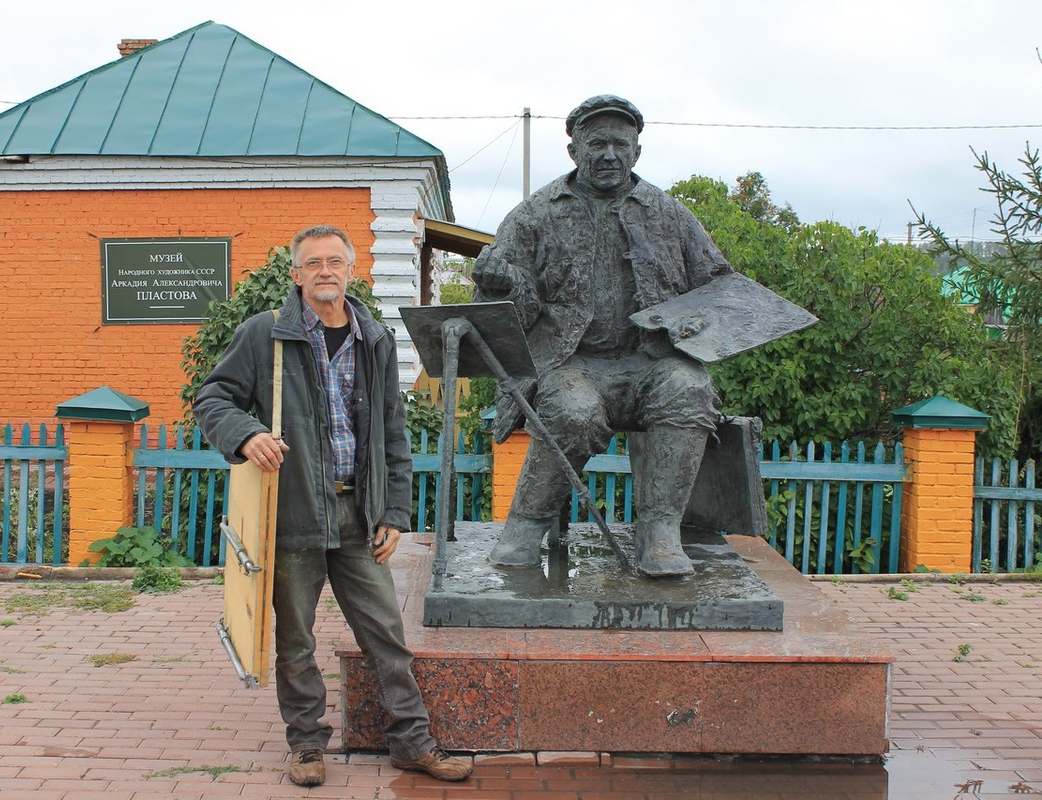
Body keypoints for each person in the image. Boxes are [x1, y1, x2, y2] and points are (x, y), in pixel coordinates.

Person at [194, 225, 472, 787]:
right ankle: (305, 745)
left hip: (359, 514)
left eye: (335, 262)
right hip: (293, 513)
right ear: (295, 274)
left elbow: (393, 430)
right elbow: (212, 398)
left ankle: (411, 742)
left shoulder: (374, 337)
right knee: (296, 640)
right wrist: (245, 434)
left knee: (385, 634)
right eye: (313, 263)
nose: (325, 270)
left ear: (350, 270)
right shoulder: (265, 334)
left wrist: (394, 512)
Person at [472, 95, 734, 578]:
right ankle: (526, 525)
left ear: (637, 151)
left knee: (689, 388)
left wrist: (690, 329)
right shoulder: (535, 215)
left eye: (620, 144)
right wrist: (499, 283)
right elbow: (502, 314)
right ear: (574, 150)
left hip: (650, 363)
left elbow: (718, 286)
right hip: (570, 363)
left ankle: (660, 532)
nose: (609, 154)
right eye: (597, 144)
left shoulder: (669, 214)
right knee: (572, 411)